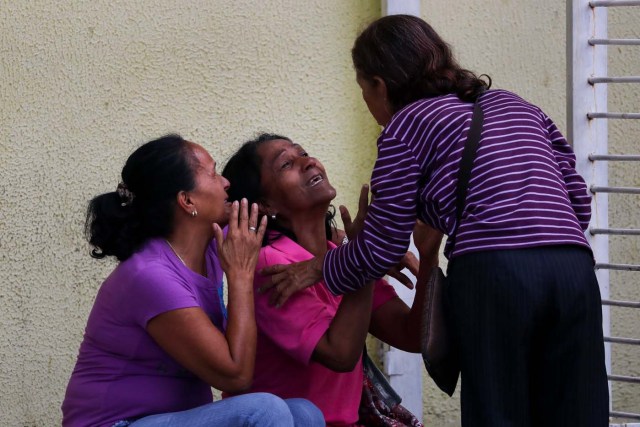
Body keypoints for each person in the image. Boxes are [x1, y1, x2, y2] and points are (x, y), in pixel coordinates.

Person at [259, 15, 609, 427]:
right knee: (577, 410)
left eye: (363, 92)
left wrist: (317, 267)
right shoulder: (518, 106)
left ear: (380, 85)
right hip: (573, 269)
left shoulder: (404, 127)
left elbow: (382, 247)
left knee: (500, 411)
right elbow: (578, 202)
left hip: (494, 274)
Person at [61, 134, 325, 427]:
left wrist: (344, 252)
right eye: (212, 173)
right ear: (187, 201)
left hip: (168, 419)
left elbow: (256, 213)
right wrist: (239, 275)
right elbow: (235, 376)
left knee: (305, 414)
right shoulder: (150, 276)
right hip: (116, 423)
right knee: (263, 411)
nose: (226, 182)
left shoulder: (210, 246)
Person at [221, 133, 441, 426]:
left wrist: (428, 259)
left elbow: (411, 336)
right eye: (286, 164)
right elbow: (340, 354)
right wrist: (364, 258)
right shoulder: (267, 264)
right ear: (266, 204)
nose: (308, 162)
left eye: (304, 153)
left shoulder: (339, 253)